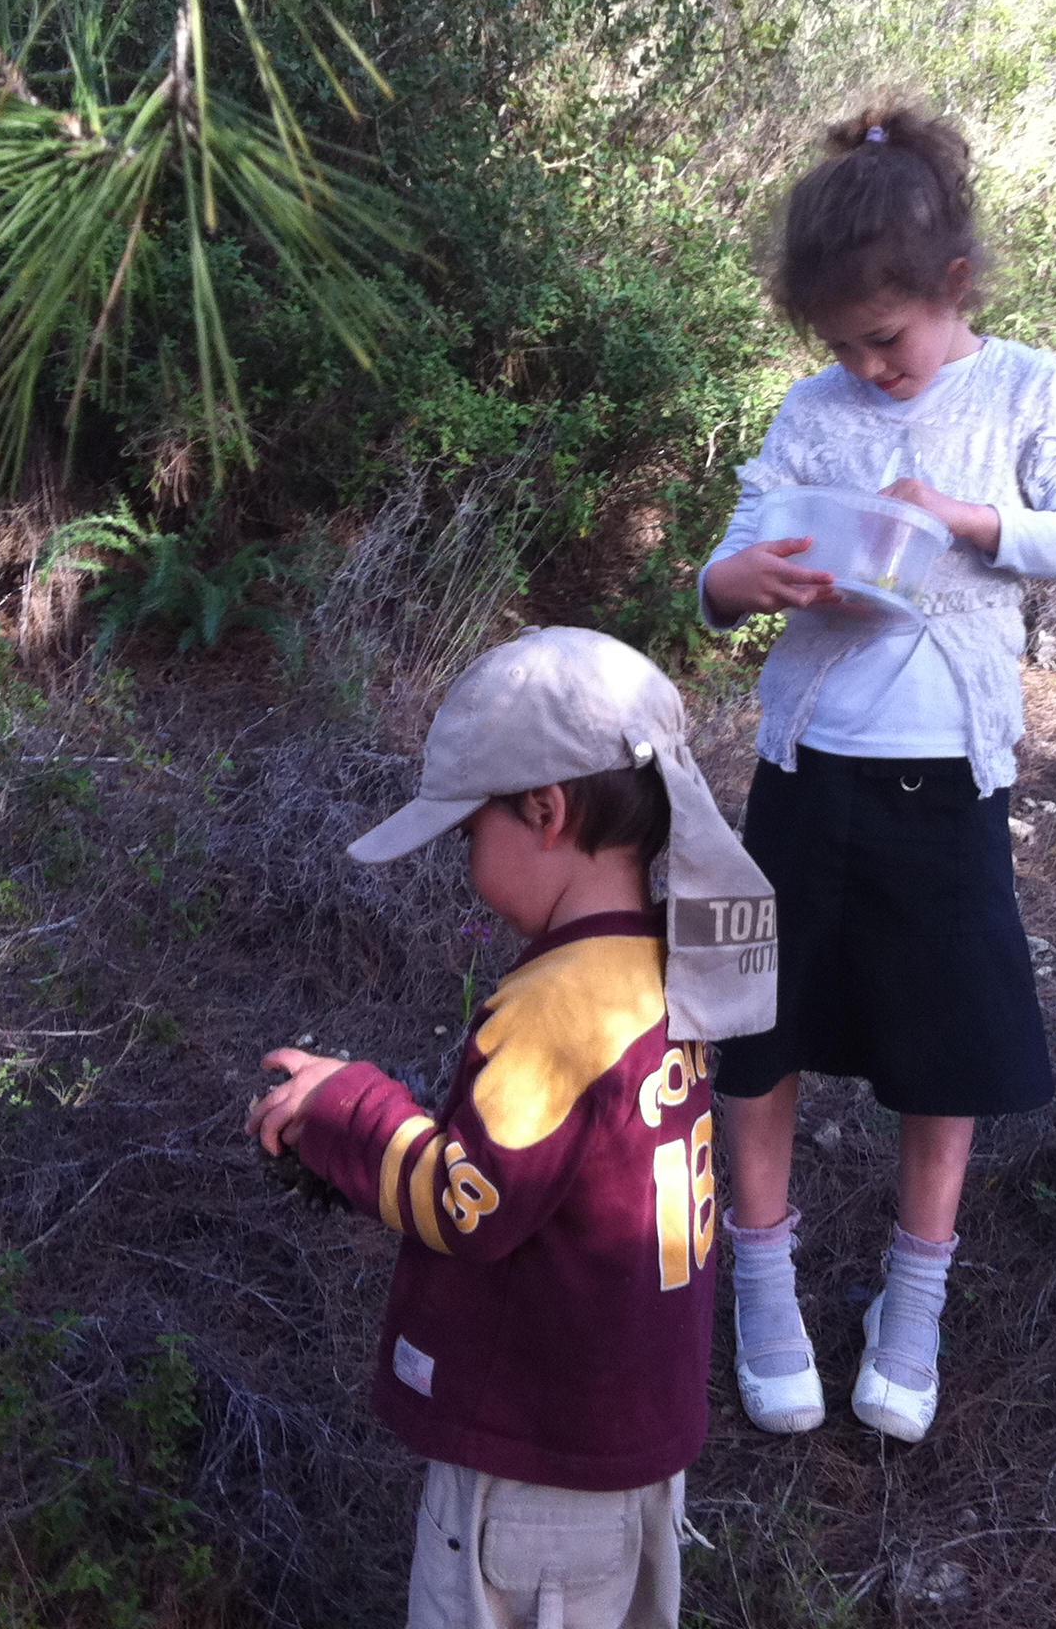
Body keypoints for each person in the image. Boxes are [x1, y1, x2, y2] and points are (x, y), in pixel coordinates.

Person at [696, 105, 1056, 1444]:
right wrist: (745, 581)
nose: (867, 368)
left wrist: (971, 520)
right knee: (756, 1026)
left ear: (955, 285)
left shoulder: (1024, 390)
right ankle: (760, 1278)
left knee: (946, 1046)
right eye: (842, 347)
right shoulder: (811, 412)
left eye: (885, 339)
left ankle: (916, 1296)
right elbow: (727, 563)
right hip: (807, 769)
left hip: (948, 784)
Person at [246, 626, 779, 1629]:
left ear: (544, 810)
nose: (463, 859)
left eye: (466, 832)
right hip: (630, 1441)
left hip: (537, 1475)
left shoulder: (557, 1008)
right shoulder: (665, 968)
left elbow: (472, 1200)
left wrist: (345, 1109)